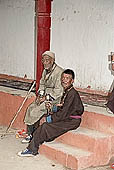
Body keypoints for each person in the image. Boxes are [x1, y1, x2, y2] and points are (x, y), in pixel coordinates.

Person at [18, 69, 84, 157]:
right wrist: (53, 108)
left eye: (67, 78)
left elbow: (64, 112)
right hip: (67, 117)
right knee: (43, 116)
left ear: (72, 81)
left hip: (72, 121)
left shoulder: (72, 93)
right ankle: (37, 137)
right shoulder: (67, 91)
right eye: (63, 77)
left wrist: (49, 119)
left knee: (45, 126)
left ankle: (32, 150)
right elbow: (66, 107)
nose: (64, 80)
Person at [22, 51, 64, 143]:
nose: (44, 62)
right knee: (31, 107)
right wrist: (40, 96)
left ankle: (34, 135)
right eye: (43, 60)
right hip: (44, 96)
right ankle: (29, 133)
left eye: (47, 60)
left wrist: (45, 98)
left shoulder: (60, 72)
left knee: (37, 110)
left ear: (52, 61)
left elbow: (58, 91)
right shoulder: (45, 71)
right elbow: (42, 84)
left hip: (54, 99)